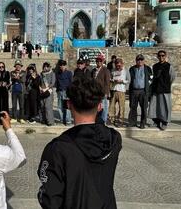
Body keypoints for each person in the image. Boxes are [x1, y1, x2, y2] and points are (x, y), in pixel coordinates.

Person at [37, 78, 122, 209]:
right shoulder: (114, 139)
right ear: (100, 106)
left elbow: (50, 198)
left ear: (69, 104)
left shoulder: (58, 148)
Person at [148, 50, 176, 130]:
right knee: (155, 107)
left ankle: (164, 122)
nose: (161, 57)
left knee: (165, 107)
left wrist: (166, 84)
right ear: (157, 57)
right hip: (156, 89)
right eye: (159, 56)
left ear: (165, 56)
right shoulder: (155, 66)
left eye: (163, 55)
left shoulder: (169, 66)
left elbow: (172, 77)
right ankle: (156, 121)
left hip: (165, 90)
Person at [128, 54, 152, 129]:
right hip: (134, 91)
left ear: (143, 60)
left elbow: (151, 79)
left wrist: (148, 91)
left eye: (141, 60)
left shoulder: (147, 68)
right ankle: (132, 122)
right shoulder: (132, 69)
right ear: (136, 61)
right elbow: (129, 79)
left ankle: (142, 123)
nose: (140, 61)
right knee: (133, 107)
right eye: (138, 60)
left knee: (144, 108)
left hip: (143, 91)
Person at [109, 58, 129, 127]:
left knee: (121, 107)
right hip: (114, 90)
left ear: (122, 64)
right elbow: (110, 79)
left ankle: (120, 121)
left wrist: (122, 81)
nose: (118, 67)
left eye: (119, 65)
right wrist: (113, 80)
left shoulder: (126, 70)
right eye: (117, 65)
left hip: (121, 91)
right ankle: (112, 120)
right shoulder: (113, 70)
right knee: (112, 106)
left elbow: (129, 80)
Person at [92, 54, 111, 124]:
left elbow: (107, 82)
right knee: (96, 107)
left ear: (102, 62)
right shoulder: (94, 70)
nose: (98, 62)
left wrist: (106, 93)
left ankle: (103, 121)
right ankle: (97, 120)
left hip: (103, 92)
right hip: (95, 92)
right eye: (97, 61)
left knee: (104, 107)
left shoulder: (106, 70)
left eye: (100, 61)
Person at [56, 60, 73, 125]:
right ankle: (62, 119)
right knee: (60, 107)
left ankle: (68, 120)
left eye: (63, 65)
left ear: (65, 66)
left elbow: (71, 83)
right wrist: (57, 91)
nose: (62, 66)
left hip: (66, 92)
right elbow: (57, 83)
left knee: (67, 107)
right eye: (60, 65)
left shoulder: (69, 73)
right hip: (59, 91)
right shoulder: (58, 73)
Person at [40, 62, 55, 126]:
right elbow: (39, 82)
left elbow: (53, 83)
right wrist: (40, 88)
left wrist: (46, 88)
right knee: (42, 106)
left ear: (49, 67)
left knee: (48, 107)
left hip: (49, 91)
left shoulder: (52, 73)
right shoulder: (41, 74)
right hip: (42, 91)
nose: (46, 68)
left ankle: (50, 121)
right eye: (44, 66)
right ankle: (43, 120)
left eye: (47, 66)